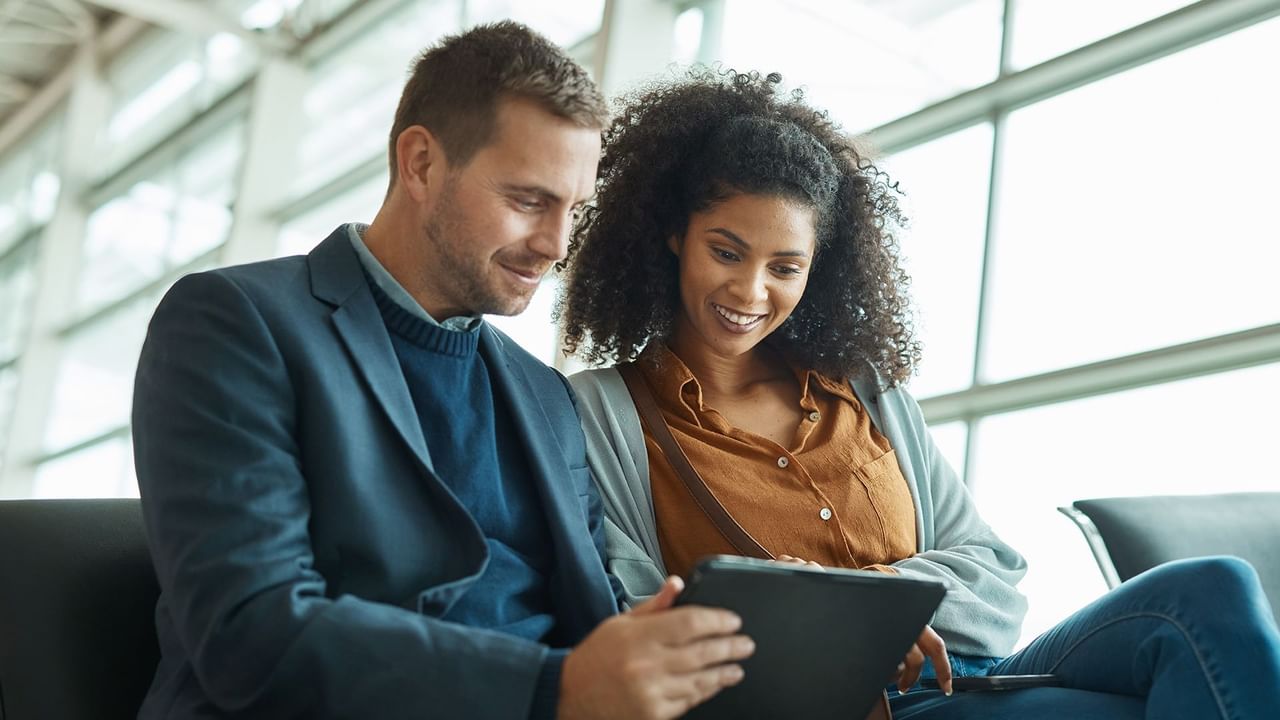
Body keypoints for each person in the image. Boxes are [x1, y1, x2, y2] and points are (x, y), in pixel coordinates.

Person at [558, 68, 1280, 719]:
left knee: (1209, 591)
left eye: (785, 266)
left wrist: (868, 603)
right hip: (853, 705)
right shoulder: (600, 414)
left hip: (973, 674)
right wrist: (824, 632)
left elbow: (995, 574)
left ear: (817, 270)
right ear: (672, 235)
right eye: (726, 251)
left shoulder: (866, 393)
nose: (751, 291)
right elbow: (633, 613)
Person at [132, 23, 755, 720]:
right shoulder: (238, 322)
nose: (555, 245)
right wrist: (555, 690)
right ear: (422, 163)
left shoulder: (545, 396)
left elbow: (593, 621)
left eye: (573, 210)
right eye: (527, 200)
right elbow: (251, 632)